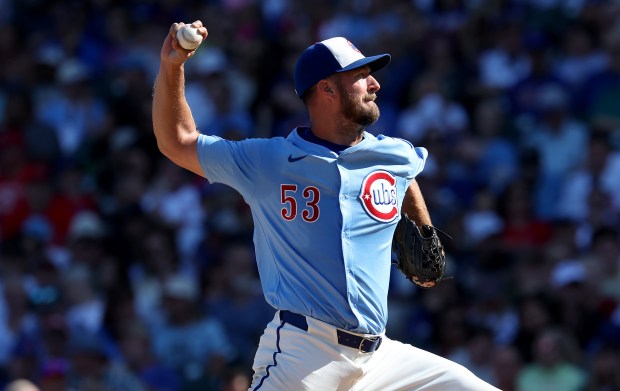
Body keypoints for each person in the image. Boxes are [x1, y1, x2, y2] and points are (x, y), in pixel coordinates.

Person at [152, 20, 500, 390]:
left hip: (381, 358)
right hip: (305, 352)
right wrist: (172, 67)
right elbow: (178, 140)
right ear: (327, 89)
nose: (375, 84)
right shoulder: (268, 161)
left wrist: (423, 229)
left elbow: (406, 171)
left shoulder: (390, 153)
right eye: (361, 75)